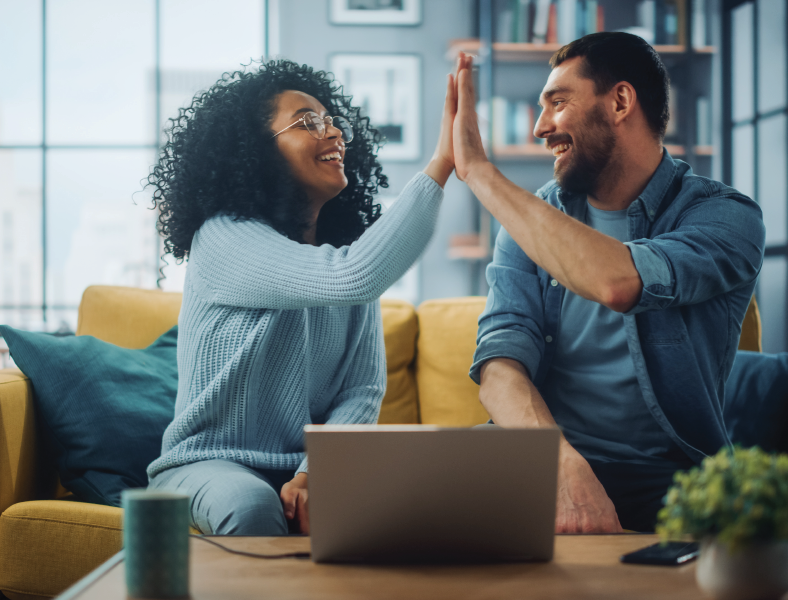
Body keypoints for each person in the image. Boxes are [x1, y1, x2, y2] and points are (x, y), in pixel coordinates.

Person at [451, 33, 765, 532]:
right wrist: (559, 464)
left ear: (620, 101)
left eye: (557, 102)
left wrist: (480, 173)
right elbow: (500, 364)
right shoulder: (533, 220)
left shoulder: (725, 217)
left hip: (668, 476)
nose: (539, 127)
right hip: (542, 455)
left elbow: (619, 281)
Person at [145, 58, 457, 535]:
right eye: (309, 122)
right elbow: (353, 276)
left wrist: (316, 471)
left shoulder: (340, 259)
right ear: (255, 150)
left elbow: (361, 391)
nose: (333, 134)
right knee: (250, 503)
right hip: (207, 464)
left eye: (333, 122)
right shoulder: (224, 238)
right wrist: (442, 165)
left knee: (442, 487)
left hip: (305, 466)